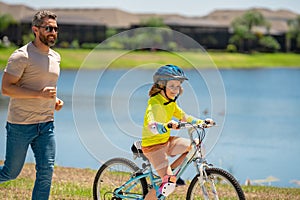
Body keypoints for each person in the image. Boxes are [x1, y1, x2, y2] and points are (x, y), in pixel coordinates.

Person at [0, 10, 63, 200]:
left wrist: (55, 101)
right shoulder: (21, 56)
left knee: (46, 172)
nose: (53, 32)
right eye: (48, 28)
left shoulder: (56, 57)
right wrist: (38, 95)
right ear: (36, 30)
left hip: (46, 125)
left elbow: (46, 86)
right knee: (10, 173)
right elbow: (6, 88)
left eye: (55, 29)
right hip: (21, 125)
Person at [141, 64, 214, 199]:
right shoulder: (154, 103)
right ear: (162, 85)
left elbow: (185, 117)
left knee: (198, 147)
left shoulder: (171, 103)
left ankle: (170, 174)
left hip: (166, 141)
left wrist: (201, 122)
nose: (176, 90)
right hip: (153, 147)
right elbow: (150, 126)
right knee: (169, 185)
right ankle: (168, 180)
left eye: (178, 86)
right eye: (172, 86)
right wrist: (166, 126)